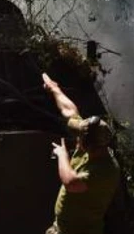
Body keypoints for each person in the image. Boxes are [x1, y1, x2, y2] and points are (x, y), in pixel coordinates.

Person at [42, 73, 120, 234]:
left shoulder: (106, 171)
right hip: (60, 228)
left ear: (89, 145)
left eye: (80, 138)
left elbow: (72, 183)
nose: (77, 139)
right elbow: (70, 111)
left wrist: (62, 155)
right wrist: (54, 89)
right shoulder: (91, 141)